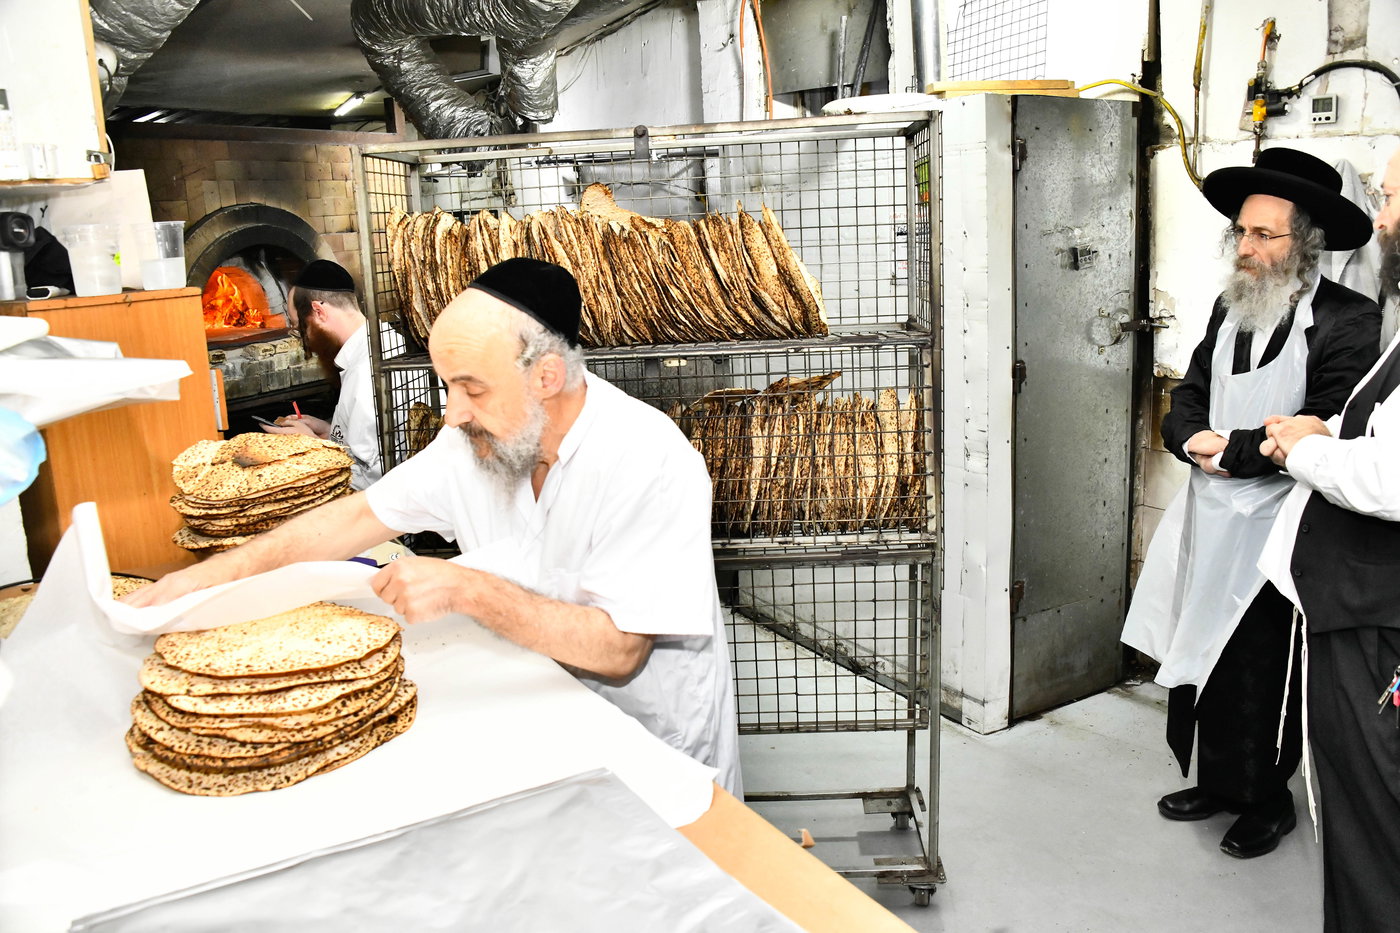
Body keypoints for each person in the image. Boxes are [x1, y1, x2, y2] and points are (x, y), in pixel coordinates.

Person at [127, 257, 743, 797]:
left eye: (471, 388)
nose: (452, 414)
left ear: (546, 377)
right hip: (543, 718)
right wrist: (205, 582)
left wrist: (464, 588)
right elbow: (350, 519)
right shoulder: (473, 441)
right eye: (447, 386)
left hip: (652, 743)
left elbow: (619, 650)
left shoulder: (647, 460)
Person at [1122, 147, 1380, 859]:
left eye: (1266, 235)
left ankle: (1266, 800)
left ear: (1308, 243)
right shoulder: (1229, 305)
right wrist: (1187, 437)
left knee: (1262, 664)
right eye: (1242, 232)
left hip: (1282, 527)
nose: (1247, 247)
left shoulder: (1348, 320)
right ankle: (1217, 781)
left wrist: (1227, 451)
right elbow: (1189, 393)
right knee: (1202, 646)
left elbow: (1328, 417)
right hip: (1210, 514)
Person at [1257, 145, 1400, 930]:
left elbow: (1391, 479)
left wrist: (1298, 450)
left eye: (1390, 199)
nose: (1380, 218)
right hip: (1351, 611)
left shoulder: (1353, 318)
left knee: (1375, 827)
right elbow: (1377, 427)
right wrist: (1328, 427)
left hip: (1378, 630)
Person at [262, 259, 383, 490]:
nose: (304, 340)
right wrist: (329, 432)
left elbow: (372, 480)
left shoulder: (365, 373)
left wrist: (311, 445)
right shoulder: (372, 345)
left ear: (319, 311)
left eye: (301, 328)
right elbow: (366, 444)